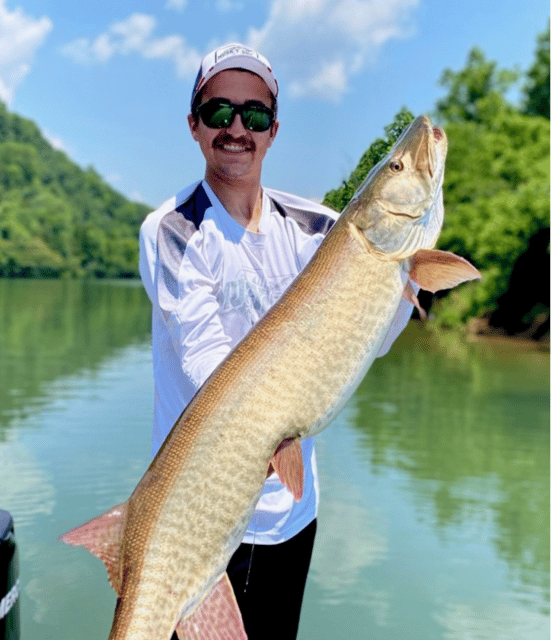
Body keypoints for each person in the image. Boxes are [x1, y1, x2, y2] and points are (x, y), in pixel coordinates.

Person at [138, 43, 415, 639]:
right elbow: (208, 369)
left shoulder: (319, 228)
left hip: (291, 515)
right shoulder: (173, 231)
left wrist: (401, 283)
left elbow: (369, 342)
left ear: (273, 129)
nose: (237, 128)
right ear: (193, 125)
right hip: (195, 521)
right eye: (219, 112)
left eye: (254, 115)